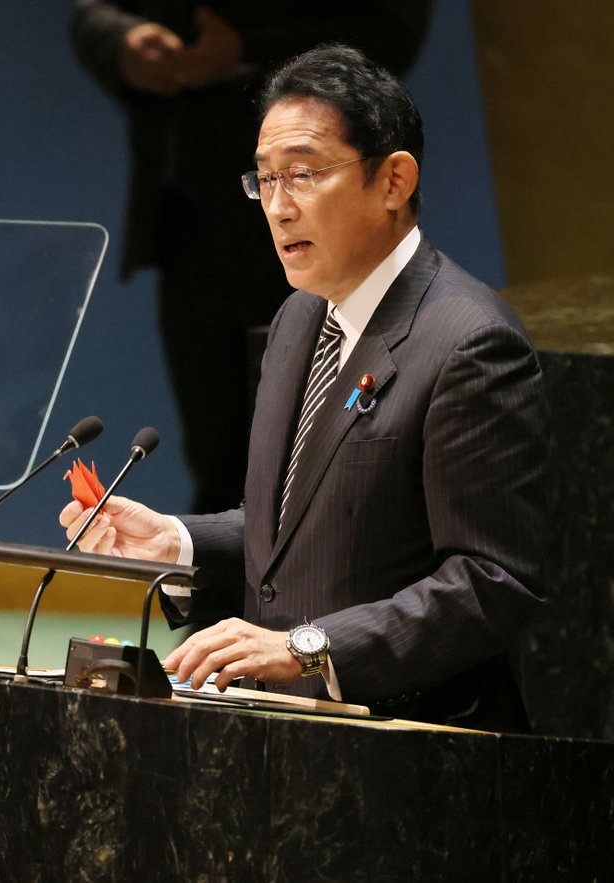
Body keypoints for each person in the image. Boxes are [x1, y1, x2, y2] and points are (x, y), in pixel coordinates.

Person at [61, 44, 549, 731]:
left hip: (420, 752)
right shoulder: (299, 319)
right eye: (264, 180)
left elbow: (491, 582)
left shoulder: (469, 343)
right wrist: (177, 543)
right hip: (294, 746)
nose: (278, 207)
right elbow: (310, 531)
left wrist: (308, 649)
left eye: (304, 174)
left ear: (394, 180)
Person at [70, 2, 432, 512]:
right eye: (264, 180)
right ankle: (217, 586)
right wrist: (123, 42)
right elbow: (95, 11)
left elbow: (391, 28)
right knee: (218, 458)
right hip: (189, 214)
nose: (273, 198)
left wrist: (247, 51)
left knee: (329, 458)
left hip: (327, 230)